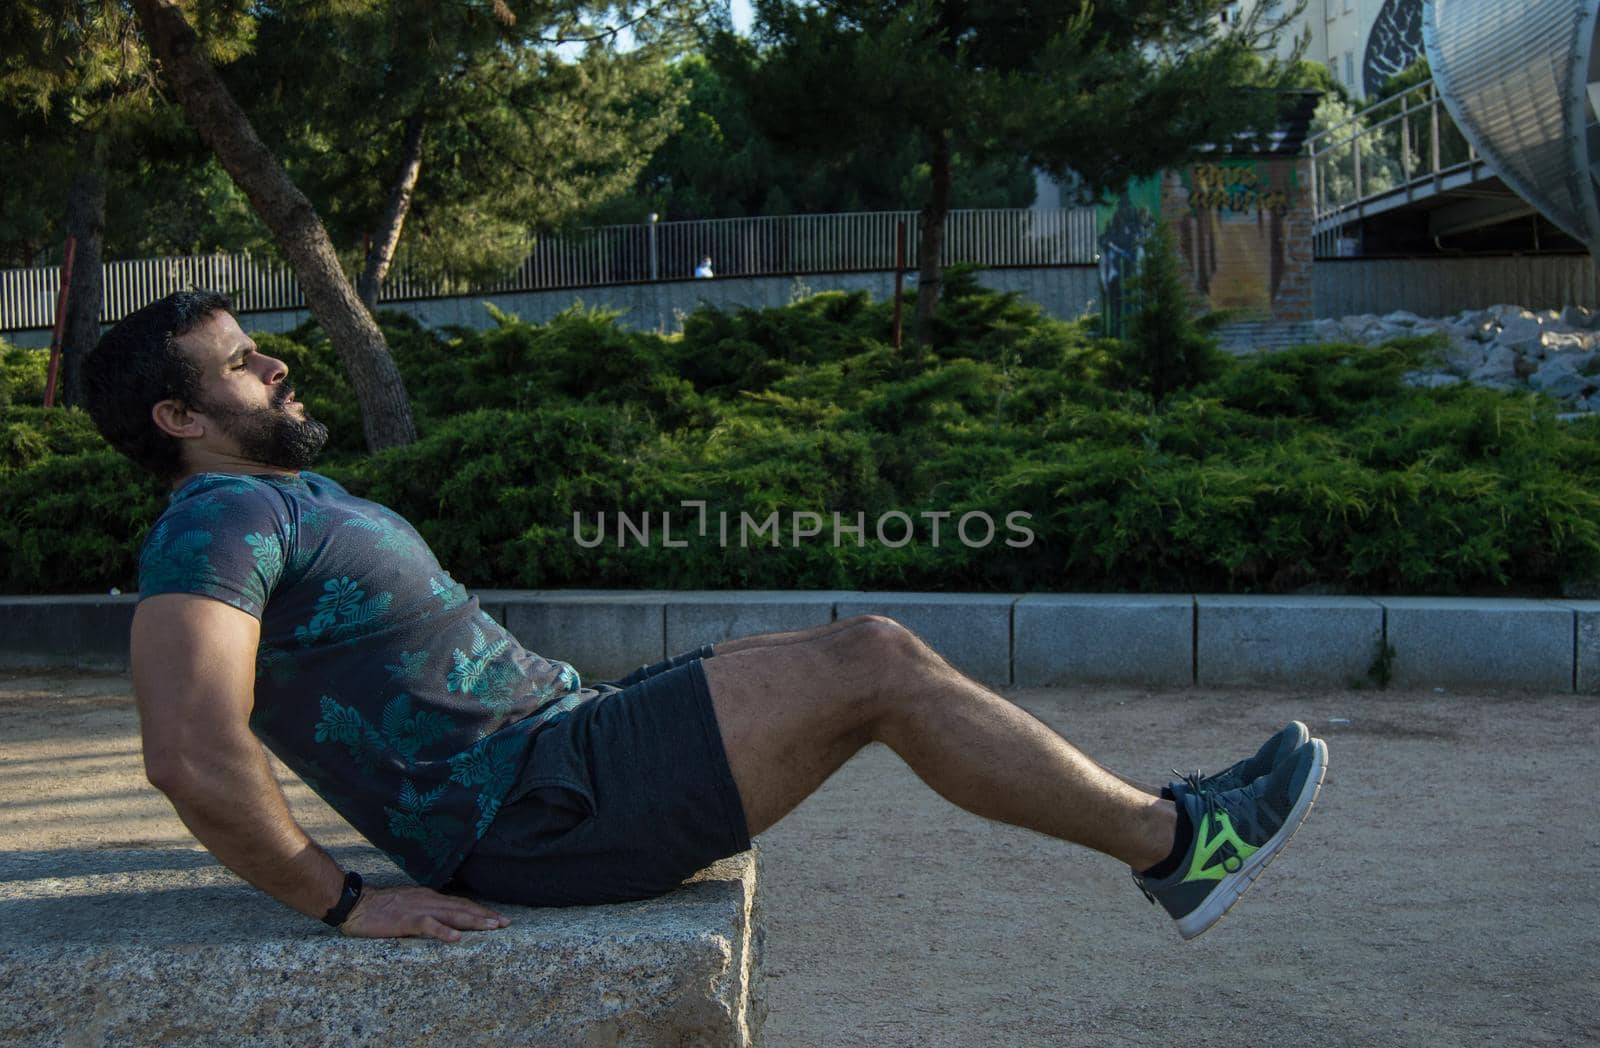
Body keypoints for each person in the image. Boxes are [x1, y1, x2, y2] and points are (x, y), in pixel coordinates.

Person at [82, 291, 1328, 944]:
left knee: (831, 646)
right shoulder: (214, 524)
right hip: (536, 809)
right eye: (243, 363)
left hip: (561, 749)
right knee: (875, 660)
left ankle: (1174, 837)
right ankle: (1179, 847)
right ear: (178, 421)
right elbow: (190, 747)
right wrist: (340, 900)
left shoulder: (279, 495)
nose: (278, 366)